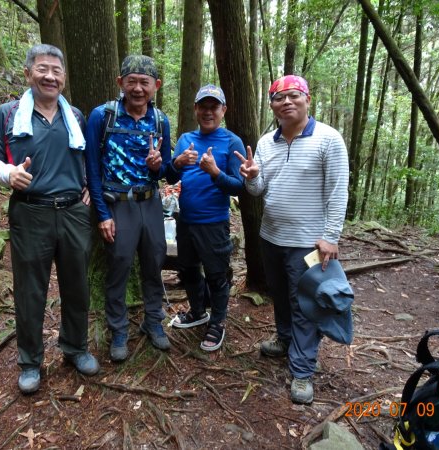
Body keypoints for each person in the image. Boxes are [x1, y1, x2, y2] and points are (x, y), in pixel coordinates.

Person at [0, 44, 99, 394]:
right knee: (30, 291)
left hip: (74, 212)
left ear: (64, 77)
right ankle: (30, 362)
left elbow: (89, 159)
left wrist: (90, 185)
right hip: (30, 212)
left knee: (77, 285)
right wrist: (7, 174)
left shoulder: (75, 116)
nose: (50, 76)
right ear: (29, 72)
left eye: (56, 71)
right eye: (43, 69)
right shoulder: (7, 113)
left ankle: (75, 348)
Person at [235, 75, 349, 404]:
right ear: (271, 105)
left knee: (304, 306)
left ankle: (301, 370)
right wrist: (253, 177)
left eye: (293, 95)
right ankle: (285, 340)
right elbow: (257, 191)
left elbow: (338, 191)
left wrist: (330, 237)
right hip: (271, 237)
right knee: (280, 296)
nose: (286, 102)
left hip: (308, 244)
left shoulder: (329, 139)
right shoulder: (267, 142)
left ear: (307, 99)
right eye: (278, 97)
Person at [85, 55, 172, 362]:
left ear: (156, 86)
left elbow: (167, 170)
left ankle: (153, 322)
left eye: (144, 82)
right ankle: (118, 330)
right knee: (119, 267)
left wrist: (159, 165)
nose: (137, 88)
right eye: (131, 81)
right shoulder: (102, 116)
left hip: (150, 202)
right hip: (116, 203)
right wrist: (103, 215)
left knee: (154, 262)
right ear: (120, 82)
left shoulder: (161, 120)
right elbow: (92, 169)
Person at [166, 84, 246, 351]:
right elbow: (171, 177)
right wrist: (177, 163)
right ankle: (198, 311)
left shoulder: (231, 142)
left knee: (216, 274)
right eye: (204, 106)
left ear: (223, 110)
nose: (208, 112)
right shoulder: (186, 138)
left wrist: (214, 172)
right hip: (186, 220)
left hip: (214, 223)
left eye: (214, 107)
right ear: (196, 109)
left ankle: (218, 321)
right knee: (187, 269)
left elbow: (238, 186)